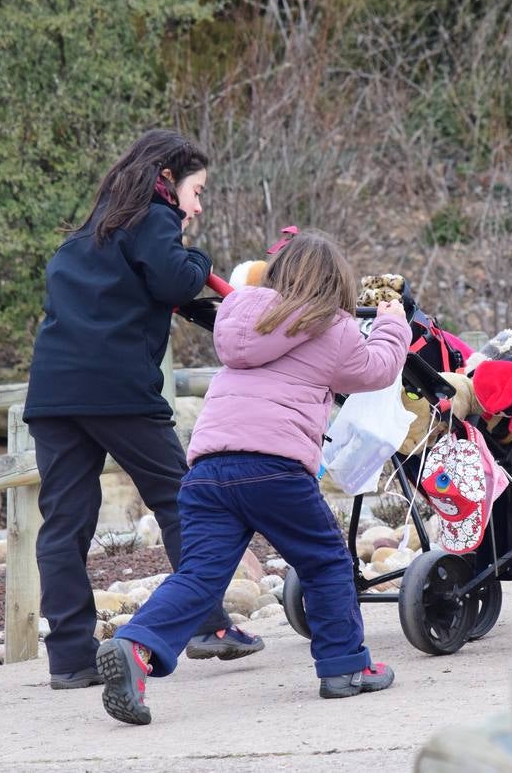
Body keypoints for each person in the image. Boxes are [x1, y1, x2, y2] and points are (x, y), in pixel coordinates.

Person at [95, 229, 411, 725]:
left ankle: (136, 645)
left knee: (200, 575)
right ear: (336, 287)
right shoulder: (335, 326)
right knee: (326, 562)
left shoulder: (242, 315)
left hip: (207, 471)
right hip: (275, 469)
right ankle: (346, 668)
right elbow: (376, 370)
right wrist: (394, 324)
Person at [23, 129, 262, 691]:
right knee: (186, 500)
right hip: (118, 389)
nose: (197, 206)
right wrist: (195, 253)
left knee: (64, 524)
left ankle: (71, 659)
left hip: (54, 394)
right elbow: (176, 278)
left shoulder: (88, 233)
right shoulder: (153, 219)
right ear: (167, 180)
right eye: (196, 192)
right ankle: (207, 624)